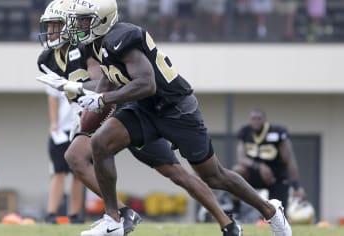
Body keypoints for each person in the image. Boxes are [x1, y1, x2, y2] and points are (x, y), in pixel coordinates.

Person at [63, 1, 292, 235]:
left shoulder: (120, 38)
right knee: (101, 142)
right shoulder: (97, 44)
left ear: (103, 20)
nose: (78, 25)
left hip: (176, 109)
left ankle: (270, 211)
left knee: (214, 176)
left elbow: (147, 84)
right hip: (145, 108)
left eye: (84, 20)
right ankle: (113, 219)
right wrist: (84, 95)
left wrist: (103, 100)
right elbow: (110, 79)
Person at [36, 0, 142, 232]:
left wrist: (72, 87)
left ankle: (118, 213)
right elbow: (63, 96)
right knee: (75, 160)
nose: (51, 31)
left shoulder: (84, 48)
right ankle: (119, 213)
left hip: (111, 109)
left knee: (172, 169)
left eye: (56, 25)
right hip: (84, 113)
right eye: (49, 26)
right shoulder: (47, 60)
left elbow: (103, 85)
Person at [233, 108, 305, 214]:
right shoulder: (245, 132)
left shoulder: (277, 132)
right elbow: (241, 159)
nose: (256, 121)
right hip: (255, 175)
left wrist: (296, 186)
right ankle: (235, 208)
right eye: (253, 118)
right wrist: (260, 166)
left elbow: (289, 160)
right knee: (237, 171)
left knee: (278, 213)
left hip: (276, 176)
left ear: (265, 120)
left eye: (259, 118)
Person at [44, 85, 85, 224]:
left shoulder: (87, 70)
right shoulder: (58, 71)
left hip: (81, 129)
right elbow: (53, 97)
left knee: (79, 174)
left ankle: (74, 214)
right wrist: (54, 123)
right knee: (59, 172)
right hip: (62, 130)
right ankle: (51, 213)